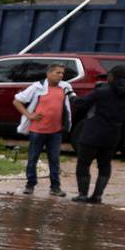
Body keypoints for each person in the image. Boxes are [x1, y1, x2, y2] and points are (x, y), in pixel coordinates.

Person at [70, 65, 125, 205]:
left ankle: (82, 195)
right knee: (105, 165)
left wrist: (72, 97)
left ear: (112, 76)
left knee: (83, 164)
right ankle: (97, 196)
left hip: (92, 134)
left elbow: (81, 104)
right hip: (112, 136)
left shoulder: (101, 92)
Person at [13, 62, 74, 195]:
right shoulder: (37, 87)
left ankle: (55, 187)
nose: (60, 76)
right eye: (57, 72)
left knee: (54, 159)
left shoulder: (65, 87)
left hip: (55, 131)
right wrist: (29, 115)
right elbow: (17, 101)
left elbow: (70, 103)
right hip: (37, 130)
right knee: (33, 158)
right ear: (48, 73)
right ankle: (30, 185)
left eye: (62, 73)